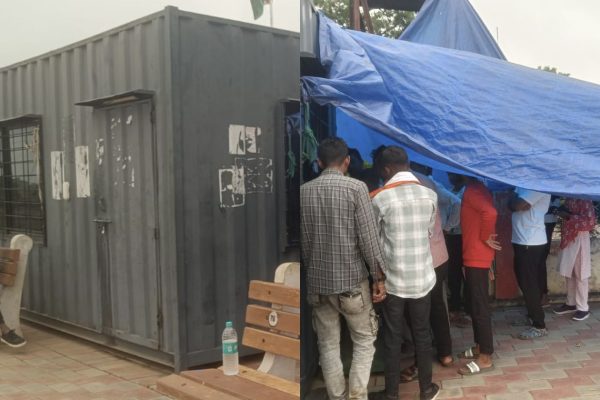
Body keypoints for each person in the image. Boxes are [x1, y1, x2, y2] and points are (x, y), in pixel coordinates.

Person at [301, 137, 387, 400]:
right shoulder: (357, 188)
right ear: (347, 161)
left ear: (319, 162)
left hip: (318, 285)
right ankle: (357, 396)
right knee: (364, 340)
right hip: (352, 283)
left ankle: (336, 396)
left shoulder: (304, 191)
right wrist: (378, 277)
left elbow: (305, 242)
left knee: (327, 345)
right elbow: (369, 238)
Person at [369, 147, 440, 400]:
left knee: (392, 337)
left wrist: (376, 279)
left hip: (393, 281)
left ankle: (391, 395)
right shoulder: (430, 195)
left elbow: (374, 243)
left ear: (386, 169)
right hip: (422, 277)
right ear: (408, 165)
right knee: (422, 333)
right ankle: (426, 390)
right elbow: (429, 232)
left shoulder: (379, 199)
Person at [456, 177, 500, 375]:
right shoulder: (478, 188)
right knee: (475, 305)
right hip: (475, 255)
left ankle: (486, 357)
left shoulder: (473, 190)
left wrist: (484, 236)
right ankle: (480, 346)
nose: (449, 176)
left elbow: (490, 212)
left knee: (479, 306)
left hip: (476, 256)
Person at [509, 188, 551, 339]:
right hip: (522, 241)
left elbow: (516, 205)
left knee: (529, 284)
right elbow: (513, 203)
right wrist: (516, 202)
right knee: (525, 282)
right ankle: (532, 316)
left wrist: (516, 202)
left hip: (531, 242)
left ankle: (539, 325)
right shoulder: (522, 185)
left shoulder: (538, 185)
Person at [553, 198, 596, 321]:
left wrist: (568, 216)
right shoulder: (569, 198)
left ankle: (583, 308)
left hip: (580, 237)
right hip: (568, 236)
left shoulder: (585, 200)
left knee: (581, 273)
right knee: (569, 272)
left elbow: (590, 222)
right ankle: (570, 303)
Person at [445, 173, 470, 327]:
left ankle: (465, 307)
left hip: (461, 236)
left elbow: (458, 209)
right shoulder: (452, 190)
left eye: (451, 174)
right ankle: (456, 304)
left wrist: (447, 228)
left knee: (462, 273)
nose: (449, 176)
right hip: (454, 236)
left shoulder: (464, 192)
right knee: (454, 273)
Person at [540, 196, 561, 307]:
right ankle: (542, 295)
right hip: (539, 226)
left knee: (540, 262)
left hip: (547, 226)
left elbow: (554, 210)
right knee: (539, 263)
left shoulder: (555, 195)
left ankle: (543, 295)